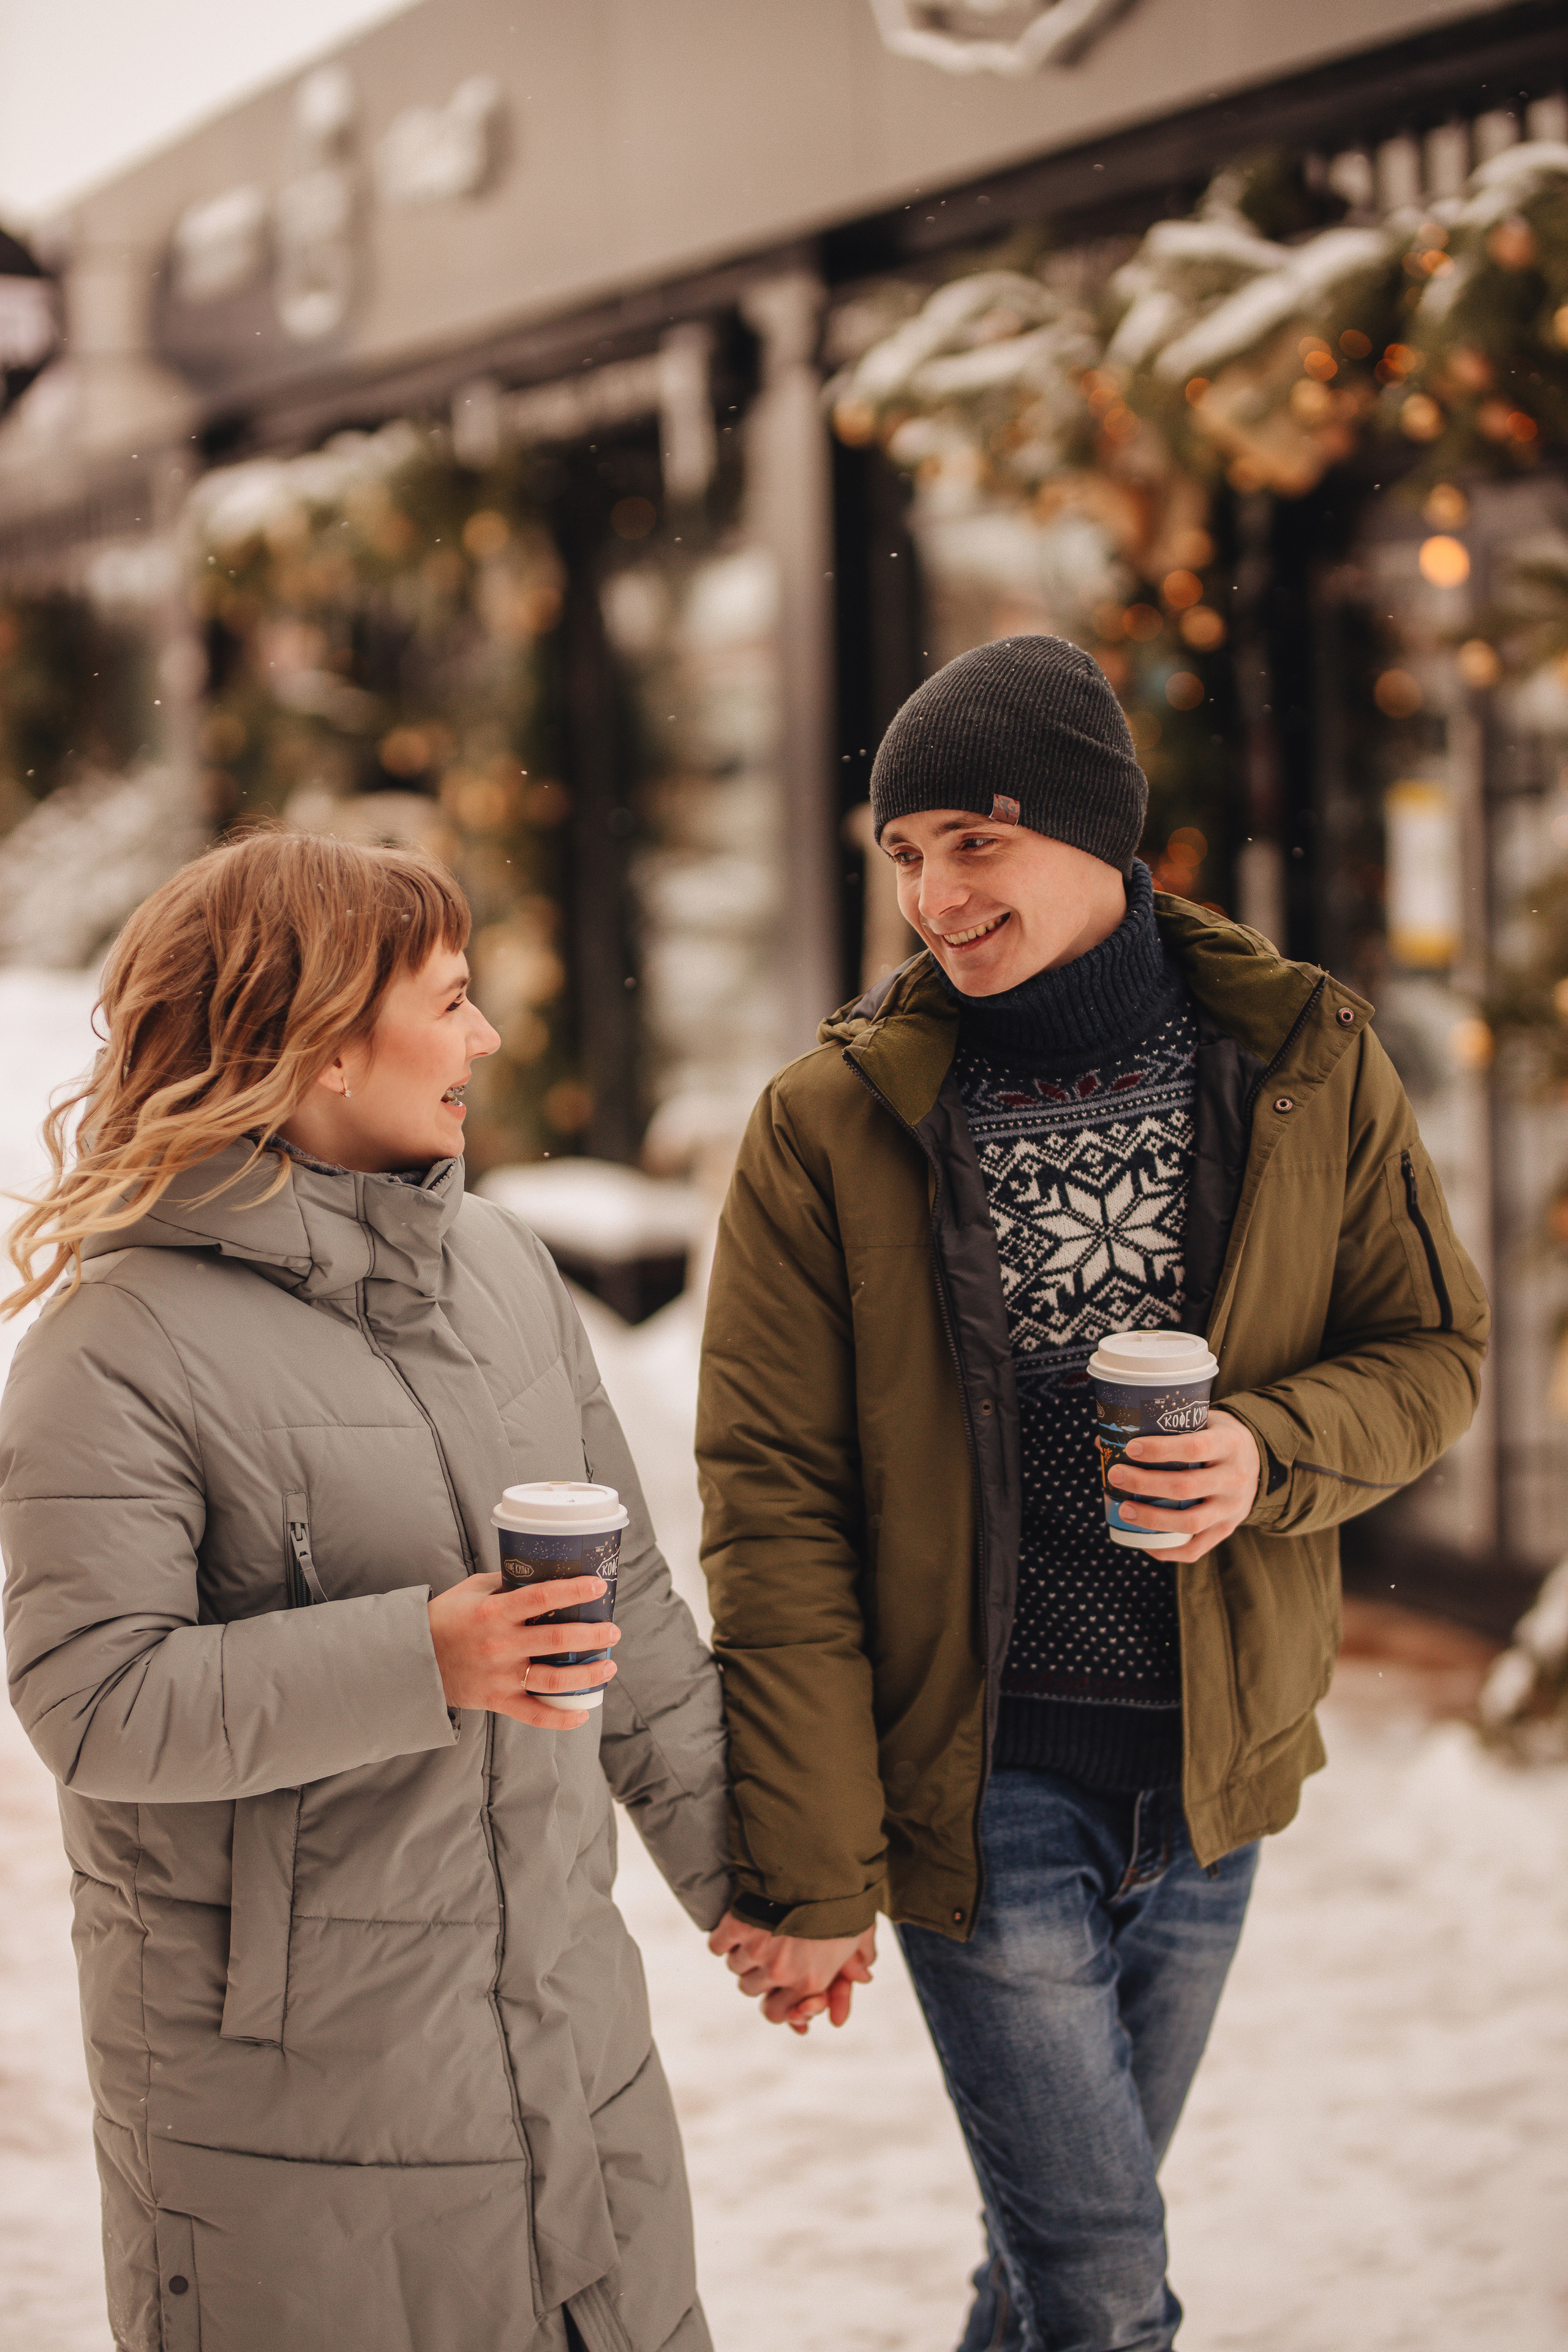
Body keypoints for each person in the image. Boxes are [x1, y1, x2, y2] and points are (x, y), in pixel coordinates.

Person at [698, 636, 1488, 2351]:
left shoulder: (1298, 1063)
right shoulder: (828, 1128)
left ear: (1098, 835)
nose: (934, 895)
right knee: (1106, 2289)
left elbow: (1433, 1352)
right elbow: (775, 1507)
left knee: (1048, 2268)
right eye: (904, 853)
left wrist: (1267, 1451)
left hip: (1208, 1783)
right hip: (982, 1785)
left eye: (974, 842)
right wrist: (810, 1860)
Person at [1, 831, 729, 2352]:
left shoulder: (508, 1273)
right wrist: (423, 1658)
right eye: (451, 1001)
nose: (488, 1038)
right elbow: (94, 1704)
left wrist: (755, 1891)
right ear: (326, 1043)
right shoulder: (114, 1350)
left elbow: (634, 1614)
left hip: (573, 2066)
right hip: (295, 2127)